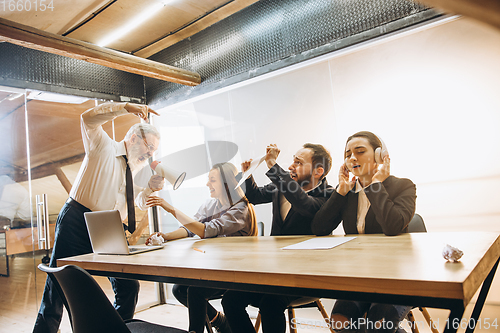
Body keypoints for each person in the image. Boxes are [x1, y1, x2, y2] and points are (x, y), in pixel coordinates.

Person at [33, 102, 165, 333]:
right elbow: (87, 118)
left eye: (154, 150)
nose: (151, 153)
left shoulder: (136, 169)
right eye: (149, 146)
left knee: (128, 285)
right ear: (134, 138)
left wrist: (150, 190)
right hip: (77, 220)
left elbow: (138, 202)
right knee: (59, 285)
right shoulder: (102, 146)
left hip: (110, 228)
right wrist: (125, 107)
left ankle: (113, 329)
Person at [311, 131, 417, 333]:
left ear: (379, 156)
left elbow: (393, 227)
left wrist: (375, 184)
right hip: (359, 276)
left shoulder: (403, 186)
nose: (352, 158)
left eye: (359, 151)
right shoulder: (347, 191)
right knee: (340, 322)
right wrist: (340, 192)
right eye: (348, 154)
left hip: (396, 276)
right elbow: (319, 228)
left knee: (379, 325)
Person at [222, 143, 333, 333]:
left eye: (298, 162)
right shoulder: (281, 187)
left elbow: (304, 204)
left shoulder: (329, 195)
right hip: (275, 272)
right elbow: (255, 196)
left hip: (307, 276)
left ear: (318, 171)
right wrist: (247, 174)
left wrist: (272, 164)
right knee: (230, 299)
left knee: (270, 303)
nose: (291, 166)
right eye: (293, 161)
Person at [146, 162, 258, 333]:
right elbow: (191, 229)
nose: (207, 184)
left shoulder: (240, 209)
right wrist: (165, 236)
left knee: (195, 292)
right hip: (219, 267)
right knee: (180, 289)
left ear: (226, 184)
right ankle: (220, 321)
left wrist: (170, 208)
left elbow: (205, 230)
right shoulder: (210, 205)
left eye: (212, 180)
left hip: (237, 271)